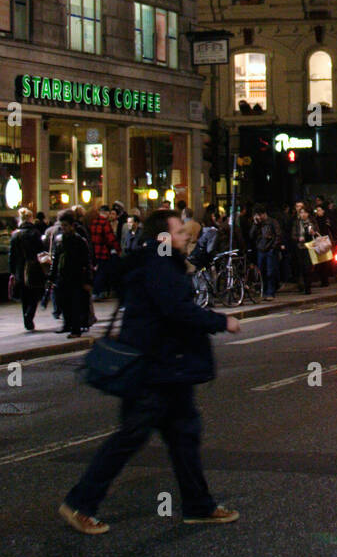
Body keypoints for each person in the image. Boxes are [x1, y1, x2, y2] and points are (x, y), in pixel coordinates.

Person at [58, 209, 241, 535]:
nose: (186, 235)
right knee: (130, 438)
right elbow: (176, 310)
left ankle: (199, 505)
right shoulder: (159, 265)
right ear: (162, 237)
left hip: (169, 369)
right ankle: (80, 503)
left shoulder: (157, 262)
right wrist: (221, 321)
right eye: (179, 231)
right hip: (154, 370)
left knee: (184, 437)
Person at [52, 209, 92, 337]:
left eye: (66, 226)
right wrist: (52, 277)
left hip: (75, 277)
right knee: (64, 303)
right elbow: (56, 259)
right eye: (62, 226)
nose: (63, 228)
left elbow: (86, 262)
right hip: (62, 276)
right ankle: (67, 324)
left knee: (75, 304)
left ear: (72, 226)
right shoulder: (59, 240)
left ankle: (75, 329)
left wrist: (87, 280)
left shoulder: (79, 241)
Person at [9, 207, 47, 331]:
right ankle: (29, 315)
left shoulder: (15, 234)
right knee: (35, 293)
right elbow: (41, 250)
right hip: (33, 266)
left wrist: (12, 271)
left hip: (20, 267)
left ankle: (26, 317)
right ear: (30, 218)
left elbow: (12, 255)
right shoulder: (35, 233)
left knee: (24, 295)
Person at [89, 204, 120, 301]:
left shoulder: (93, 222)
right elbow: (110, 238)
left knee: (98, 271)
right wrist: (118, 249)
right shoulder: (105, 223)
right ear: (106, 213)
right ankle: (97, 292)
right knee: (102, 272)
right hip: (104, 251)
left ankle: (99, 292)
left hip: (95, 250)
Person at [251, 204, 282, 300]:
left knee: (270, 272)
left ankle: (270, 292)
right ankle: (263, 291)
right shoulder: (257, 224)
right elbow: (251, 235)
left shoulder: (272, 222)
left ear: (264, 214)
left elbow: (278, 235)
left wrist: (273, 247)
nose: (259, 217)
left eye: (259, 215)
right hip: (261, 250)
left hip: (270, 250)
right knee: (262, 272)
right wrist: (255, 224)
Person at [291, 201, 315, 295]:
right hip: (300, 247)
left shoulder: (312, 222)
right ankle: (303, 286)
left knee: (308, 267)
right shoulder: (296, 223)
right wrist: (298, 238)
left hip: (310, 247)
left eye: (305, 212)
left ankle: (308, 287)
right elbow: (293, 235)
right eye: (301, 212)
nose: (303, 214)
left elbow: (317, 231)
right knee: (301, 267)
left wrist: (313, 232)